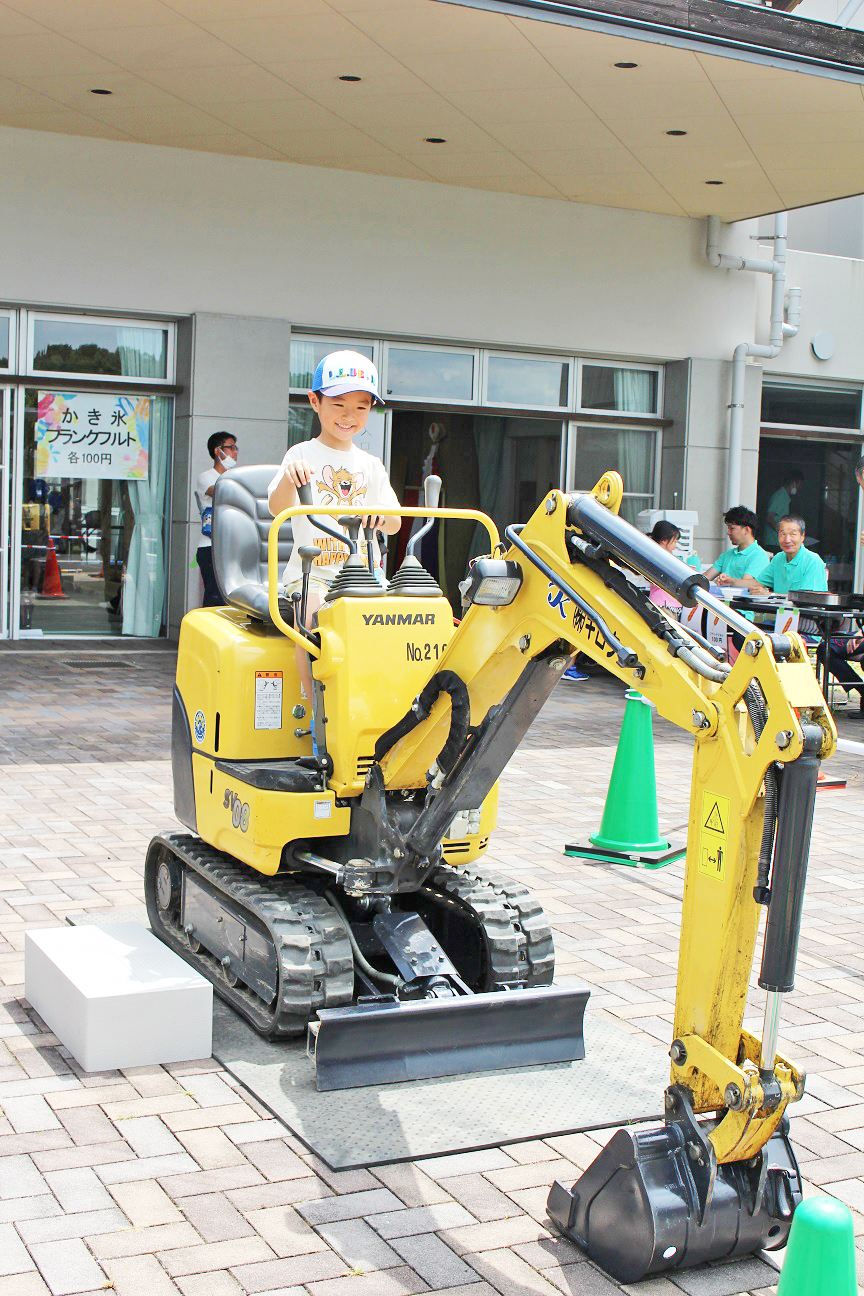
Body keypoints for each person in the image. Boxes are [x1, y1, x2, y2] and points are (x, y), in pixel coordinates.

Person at [268, 350, 401, 707]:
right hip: (314, 573)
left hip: (364, 574)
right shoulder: (300, 456)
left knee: (406, 615)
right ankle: (315, 709)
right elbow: (278, 508)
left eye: (361, 407)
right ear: (315, 401)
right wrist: (289, 479)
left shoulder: (371, 465)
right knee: (312, 611)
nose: (349, 415)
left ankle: (383, 704)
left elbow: (395, 520)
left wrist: (379, 516)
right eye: (338, 403)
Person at [195, 431, 238, 607]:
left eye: (236, 448)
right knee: (213, 595)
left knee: (229, 595)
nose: (235, 452)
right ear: (217, 451)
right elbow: (222, 492)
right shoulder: (206, 477)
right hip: (209, 546)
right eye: (231, 447)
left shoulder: (235, 476)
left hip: (229, 545)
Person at [750, 515, 827, 597]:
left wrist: (770, 594)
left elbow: (807, 598)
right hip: (779, 609)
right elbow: (758, 583)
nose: (787, 540)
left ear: (802, 536)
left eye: (793, 534)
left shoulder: (812, 561)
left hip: (803, 610)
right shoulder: (778, 559)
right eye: (783, 534)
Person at [703, 506, 768, 587]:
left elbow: (746, 584)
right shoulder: (727, 555)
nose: (728, 532)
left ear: (746, 530)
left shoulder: (759, 556)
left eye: (732, 528)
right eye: (728, 528)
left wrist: (729, 581)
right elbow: (705, 577)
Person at [646, 520, 682, 612]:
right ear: (664, 541)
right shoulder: (661, 559)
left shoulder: (654, 556)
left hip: (662, 603)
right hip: (664, 605)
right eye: (674, 541)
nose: (675, 545)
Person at [762, 472, 803, 550]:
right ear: (793, 483)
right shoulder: (779, 496)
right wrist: (781, 531)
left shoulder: (785, 497)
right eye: (798, 485)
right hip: (773, 542)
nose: (798, 488)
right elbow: (769, 517)